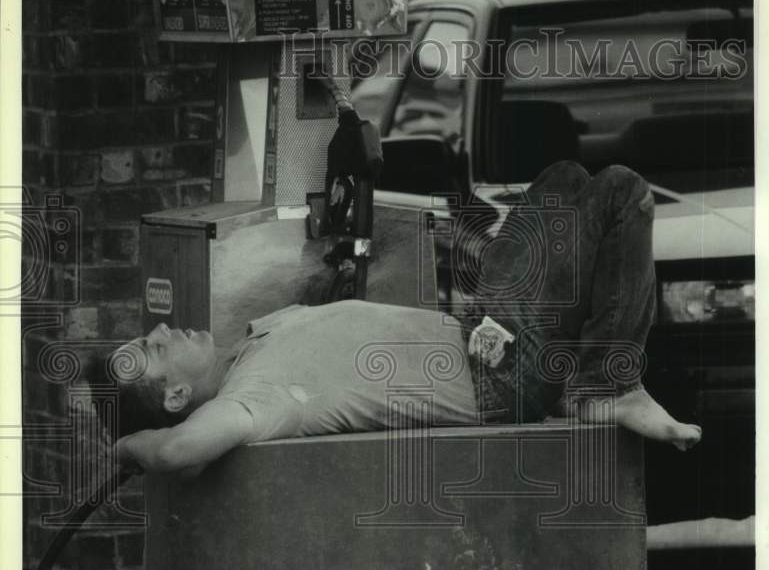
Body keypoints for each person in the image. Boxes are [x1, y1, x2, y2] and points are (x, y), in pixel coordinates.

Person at [112, 160, 701, 476]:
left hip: (488, 331)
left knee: (564, 180)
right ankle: (611, 386)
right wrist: (128, 446)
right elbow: (176, 453)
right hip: (503, 379)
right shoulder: (251, 399)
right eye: (156, 349)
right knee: (622, 191)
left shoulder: (256, 341)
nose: (163, 329)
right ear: (175, 398)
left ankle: (593, 378)